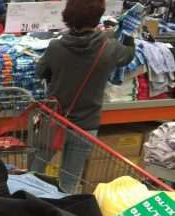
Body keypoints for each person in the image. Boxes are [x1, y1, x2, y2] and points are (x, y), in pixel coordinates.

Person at [31, 0, 136, 193]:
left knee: (33, 172)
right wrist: (129, 34)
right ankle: (62, 209)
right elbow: (128, 55)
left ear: (68, 16)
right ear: (98, 17)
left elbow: (40, 72)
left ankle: (26, 204)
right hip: (86, 124)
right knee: (69, 182)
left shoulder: (55, 47)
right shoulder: (109, 48)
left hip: (54, 119)